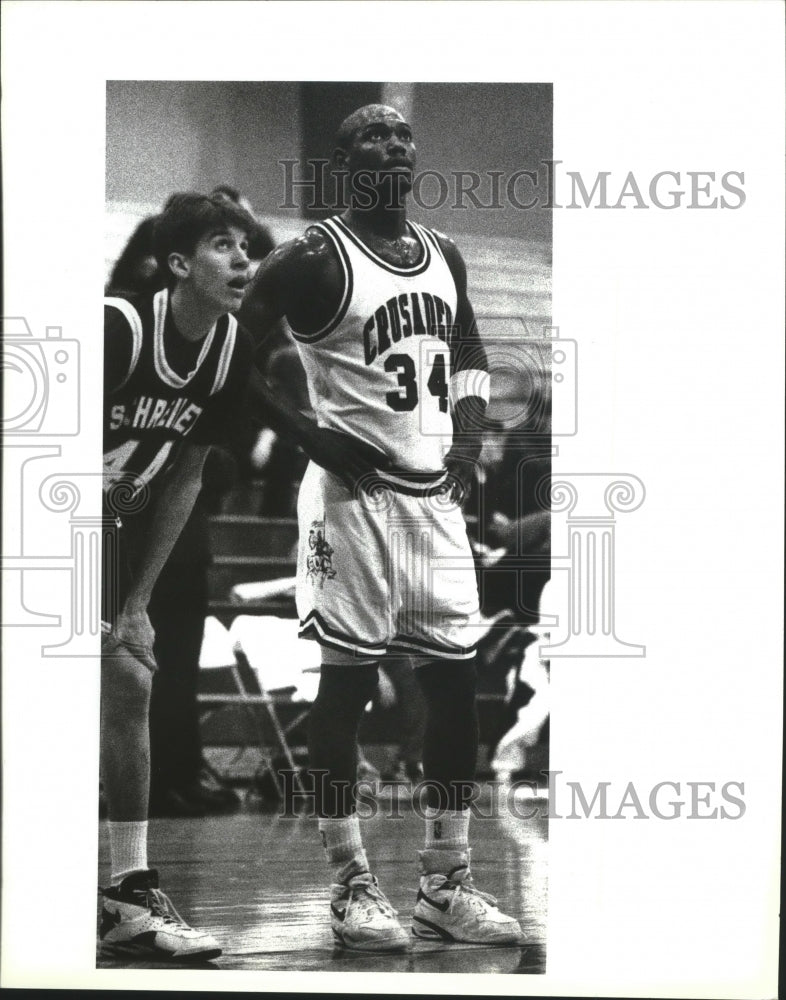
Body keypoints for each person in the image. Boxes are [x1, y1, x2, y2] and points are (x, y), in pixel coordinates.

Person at [240, 105, 525, 951]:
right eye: (373, 134)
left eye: (402, 135)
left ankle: (446, 881)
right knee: (348, 686)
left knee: (454, 683)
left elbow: (467, 346)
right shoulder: (309, 258)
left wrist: (470, 436)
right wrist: (304, 430)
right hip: (350, 498)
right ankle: (350, 884)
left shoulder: (444, 253)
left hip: (433, 496)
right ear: (343, 159)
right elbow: (231, 355)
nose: (393, 144)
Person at [100, 192, 384, 960]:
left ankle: (128, 895)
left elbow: (187, 475)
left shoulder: (227, 347)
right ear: (178, 264)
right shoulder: (118, 327)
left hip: (116, 521)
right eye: (223, 246)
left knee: (130, 677)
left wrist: (134, 602)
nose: (244, 262)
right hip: (44, 513)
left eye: (248, 249)